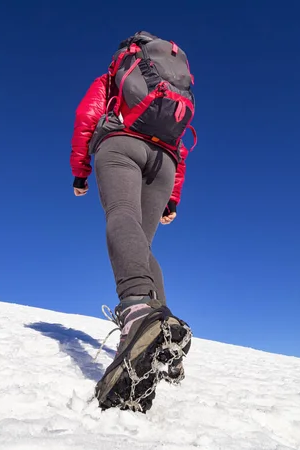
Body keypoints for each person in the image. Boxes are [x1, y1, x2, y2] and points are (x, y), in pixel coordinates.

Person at [70, 31, 195, 413]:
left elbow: (87, 115)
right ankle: (165, 337)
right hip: (165, 162)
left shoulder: (117, 72)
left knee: (121, 214)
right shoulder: (175, 80)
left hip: (122, 143)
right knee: (142, 240)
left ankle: (139, 309)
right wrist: (173, 195)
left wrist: (81, 171)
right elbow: (179, 143)